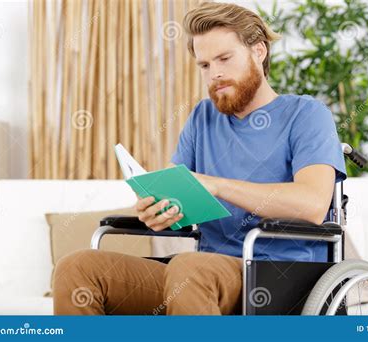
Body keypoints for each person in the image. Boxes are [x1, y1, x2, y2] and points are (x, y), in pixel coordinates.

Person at [53, 2, 346, 315]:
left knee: (191, 269)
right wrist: (160, 211)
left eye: (224, 58)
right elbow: (178, 196)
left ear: (258, 51)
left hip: (281, 277)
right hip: (200, 274)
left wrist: (216, 185)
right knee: (78, 269)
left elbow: (313, 204)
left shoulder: (306, 115)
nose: (215, 73)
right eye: (204, 65)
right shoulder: (202, 118)